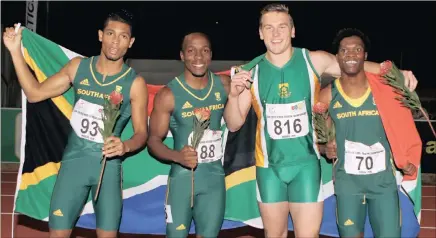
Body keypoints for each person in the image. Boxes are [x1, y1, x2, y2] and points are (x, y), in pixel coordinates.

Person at [224, 3, 418, 238]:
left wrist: (394, 72)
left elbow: (354, 65)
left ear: (293, 30)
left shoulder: (313, 60)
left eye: (282, 27)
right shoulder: (250, 72)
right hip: (269, 169)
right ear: (260, 33)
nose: (275, 34)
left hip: (305, 167)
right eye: (269, 27)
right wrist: (234, 96)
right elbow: (234, 124)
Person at [3, 10, 149, 238]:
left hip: (108, 170)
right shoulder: (78, 68)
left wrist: (125, 146)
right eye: (111, 33)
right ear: (101, 35)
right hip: (73, 167)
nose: (115, 41)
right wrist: (14, 52)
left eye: (123, 36)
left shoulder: (135, 83)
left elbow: (142, 133)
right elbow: (34, 93)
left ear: (130, 42)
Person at [318, 28, 418, 238]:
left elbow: (404, 124)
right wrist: (324, 148)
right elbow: (318, 137)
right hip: (348, 185)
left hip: (383, 183)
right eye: (344, 50)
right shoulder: (327, 96)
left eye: (357, 50)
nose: (351, 55)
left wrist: (407, 156)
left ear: (365, 55)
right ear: (337, 57)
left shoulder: (386, 91)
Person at [147, 32, 231, 238]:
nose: (199, 57)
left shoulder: (225, 86)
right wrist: (177, 156)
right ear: (182, 56)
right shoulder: (168, 95)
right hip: (182, 180)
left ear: (211, 55)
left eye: (205, 51)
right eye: (191, 51)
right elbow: (153, 141)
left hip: (214, 180)